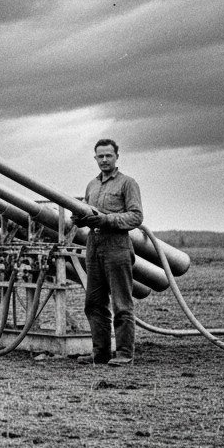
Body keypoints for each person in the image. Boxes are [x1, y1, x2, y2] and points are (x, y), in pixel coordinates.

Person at [72, 138, 143, 366]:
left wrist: (106, 219)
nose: (104, 160)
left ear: (116, 157)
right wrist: (79, 218)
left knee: (121, 303)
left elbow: (136, 216)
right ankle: (100, 353)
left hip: (117, 246)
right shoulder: (92, 185)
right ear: (95, 158)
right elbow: (82, 214)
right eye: (100, 156)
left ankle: (124, 354)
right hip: (94, 246)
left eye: (108, 156)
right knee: (93, 303)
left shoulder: (127, 183)